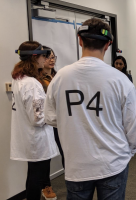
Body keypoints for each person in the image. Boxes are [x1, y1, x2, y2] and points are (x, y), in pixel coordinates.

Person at [44, 18, 136, 200]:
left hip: (76, 165)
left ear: (80, 40)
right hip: (113, 163)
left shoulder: (59, 78)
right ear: (108, 45)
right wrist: (128, 152)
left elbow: (50, 118)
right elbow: (134, 128)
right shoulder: (121, 80)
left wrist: (76, 119)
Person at [11, 41, 58, 200]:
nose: (45, 59)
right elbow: (38, 119)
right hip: (38, 140)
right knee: (35, 180)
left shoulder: (19, 79)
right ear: (34, 57)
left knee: (33, 177)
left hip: (30, 139)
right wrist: (56, 115)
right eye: (43, 56)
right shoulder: (32, 84)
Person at [39, 46, 65, 169]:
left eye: (53, 57)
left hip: (61, 118)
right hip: (46, 121)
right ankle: (46, 185)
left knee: (66, 151)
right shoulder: (37, 80)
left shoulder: (59, 76)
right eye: (48, 57)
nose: (51, 60)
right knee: (45, 156)